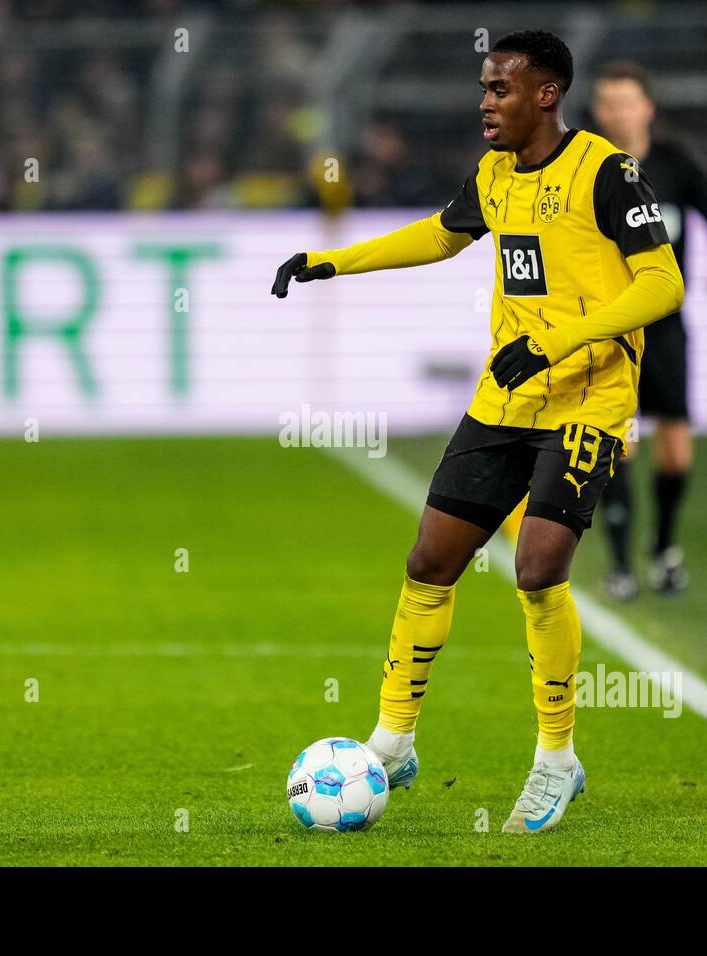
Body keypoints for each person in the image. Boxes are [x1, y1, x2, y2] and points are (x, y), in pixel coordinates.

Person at [270, 31, 683, 833]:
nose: (486, 103)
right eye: (484, 89)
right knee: (430, 560)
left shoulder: (604, 172)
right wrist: (331, 262)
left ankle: (557, 761)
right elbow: (438, 235)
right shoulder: (496, 175)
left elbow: (662, 281)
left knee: (536, 568)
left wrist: (560, 341)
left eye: (501, 89)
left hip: (587, 402)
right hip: (505, 399)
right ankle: (393, 740)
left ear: (548, 94)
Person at [590, 60, 707, 599]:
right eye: (607, 102)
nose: (617, 112)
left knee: (676, 451)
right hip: (610, 331)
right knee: (616, 446)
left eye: (626, 101)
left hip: (667, 330)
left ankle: (664, 547)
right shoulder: (589, 165)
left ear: (647, 107)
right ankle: (621, 564)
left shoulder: (675, 164)